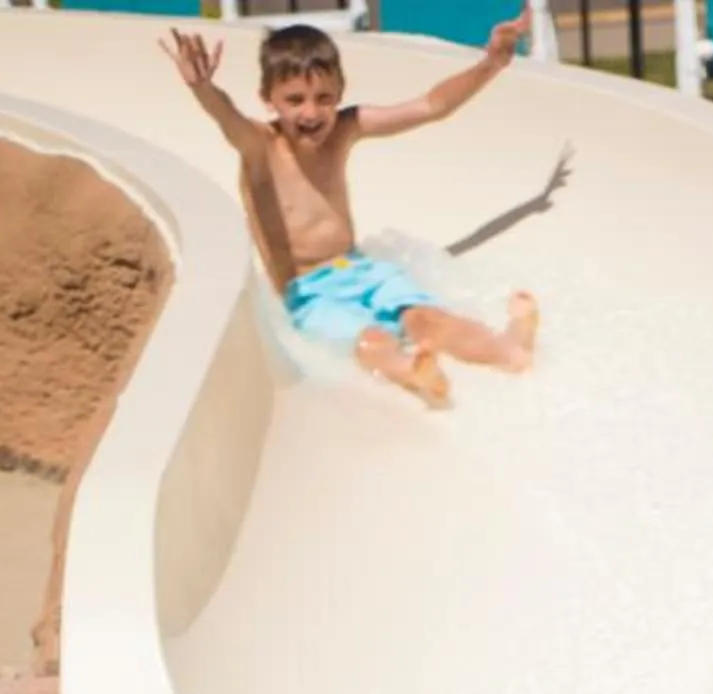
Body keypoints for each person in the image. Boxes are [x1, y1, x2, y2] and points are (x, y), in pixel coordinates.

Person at [162, 16, 539, 410]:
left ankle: (508, 349)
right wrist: (203, 88)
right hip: (310, 294)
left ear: (340, 92)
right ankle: (410, 371)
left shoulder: (346, 128)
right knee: (371, 340)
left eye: (324, 98)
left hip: (361, 270)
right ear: (267, 98)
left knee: (426, 319)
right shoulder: (261, 146)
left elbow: (431, 105)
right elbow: (227, 118)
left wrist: (490, 64)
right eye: (295, 100)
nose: (311, 112)